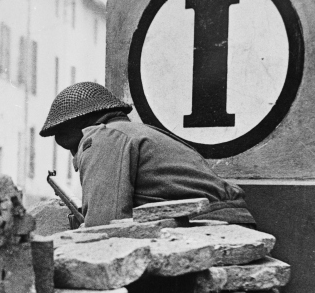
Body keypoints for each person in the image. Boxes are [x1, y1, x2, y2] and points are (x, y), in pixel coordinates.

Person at [40, 82, 256, 227]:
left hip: (207, 228)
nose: (76, 157)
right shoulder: (136, 132)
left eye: (73, 148)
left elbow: (104, 229)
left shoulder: (103, 137)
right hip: (227, 224)